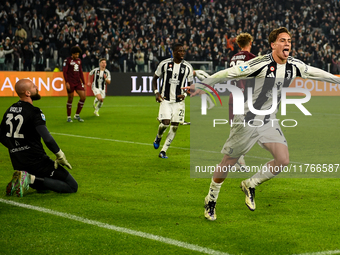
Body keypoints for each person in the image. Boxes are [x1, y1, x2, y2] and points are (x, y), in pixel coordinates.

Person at [185, 27, 340, 221]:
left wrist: (337, 80)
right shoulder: (260, 64)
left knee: (283, 160)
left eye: (289, 41)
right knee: (228, 163)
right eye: (282, 40)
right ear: (273, 45)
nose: (287, 44)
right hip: (247, 120)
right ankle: (211, 199)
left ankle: (250, 184)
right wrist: (204, 84)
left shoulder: (295, 65)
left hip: (269, 120)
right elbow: (230, 73)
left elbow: (317, 73)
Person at [0, 79, 78, 197]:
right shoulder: (34, 112)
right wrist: (59, 154)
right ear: (28, 93)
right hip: (37, 162)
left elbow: (1, 135)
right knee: (72, 186)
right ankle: (29, 179)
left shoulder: (10, 109)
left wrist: (15, 148)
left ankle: (27, 178)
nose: (37, 87)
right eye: (33, 86)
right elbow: (47, 138)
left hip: (18, 163)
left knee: (43, 188)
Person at [152, 43, 193, 159]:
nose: (182, 53)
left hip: (179, 102)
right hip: (165, 99)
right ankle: (158, 136)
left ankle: (163, 151)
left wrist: (184, 94)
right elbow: (155, 78)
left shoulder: (188, 67)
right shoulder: (164, 64)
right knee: (165, 123)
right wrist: (156, 92)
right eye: (179, 51)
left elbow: (191, 85)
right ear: (173, 52)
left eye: (183, 51)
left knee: (174, 126)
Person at [228, 33, 256, 170]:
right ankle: (240, 161)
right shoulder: (251, 58)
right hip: (244, 97)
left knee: (235, 130)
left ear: (239, 44)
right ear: (250, 43)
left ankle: (237, 161)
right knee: (247, 130)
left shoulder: (233, 58)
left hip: (233, 95)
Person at [63, 46, 86, 122]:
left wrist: (83, 82)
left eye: (78, 54)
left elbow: (80, 72)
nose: (77, 56)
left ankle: (77, 115)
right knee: (70, 99)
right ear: (72, 54)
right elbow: (65, 72)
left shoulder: (79, 61)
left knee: (83, 97)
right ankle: (68, 117)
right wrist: (66, 82)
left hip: (78, 82)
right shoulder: (67, 60)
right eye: (75, 54)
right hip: (70, 82)